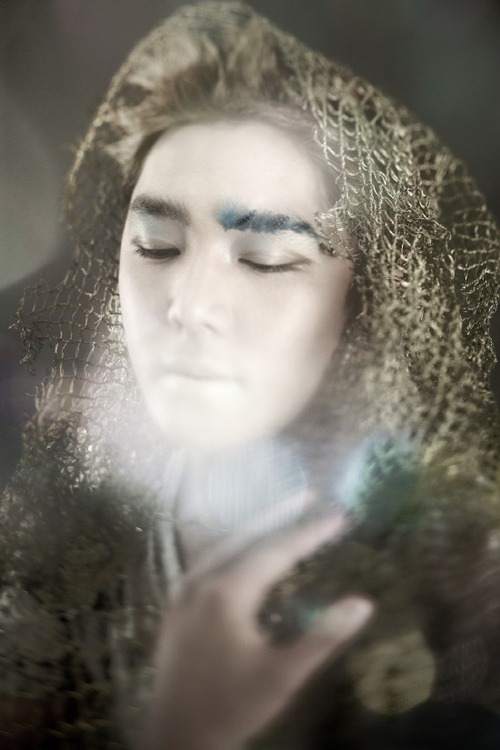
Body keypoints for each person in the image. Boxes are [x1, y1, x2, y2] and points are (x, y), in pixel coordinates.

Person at [1, 1, 500, 748]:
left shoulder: (463, 593)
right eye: (157, 246)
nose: (188, 305)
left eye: (265, 260)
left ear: (365, 299)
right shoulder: (42, 522)